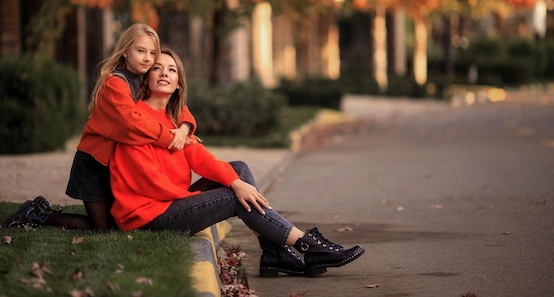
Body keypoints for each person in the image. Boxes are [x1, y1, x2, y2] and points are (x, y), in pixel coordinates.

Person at [109, 48, 365, 277]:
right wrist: (211, 194)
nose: (164, 73)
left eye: (171, 69)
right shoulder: (136, 119)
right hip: (148, 217)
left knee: (239, 170)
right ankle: (305, 244)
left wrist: (233, 181)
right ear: (146, 77)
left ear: (178, 83)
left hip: (170, 203)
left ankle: (275, 253)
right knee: (235, 197)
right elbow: (148, 182)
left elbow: (203, 160)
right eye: (157, 68)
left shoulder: (176, 123)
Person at [3, 24, 197, 230]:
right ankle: (36, 214)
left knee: (115, 224)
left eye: (152, 53)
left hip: (116, 167)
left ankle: (41, 210)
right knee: (102, 229)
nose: (147, 58)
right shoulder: (115, 83)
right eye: (141, 51)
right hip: (94, 164)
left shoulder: (143, 80)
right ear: (125, 52)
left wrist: (184, 127)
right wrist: (168, 137)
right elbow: (131, 120)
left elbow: (175, 102)